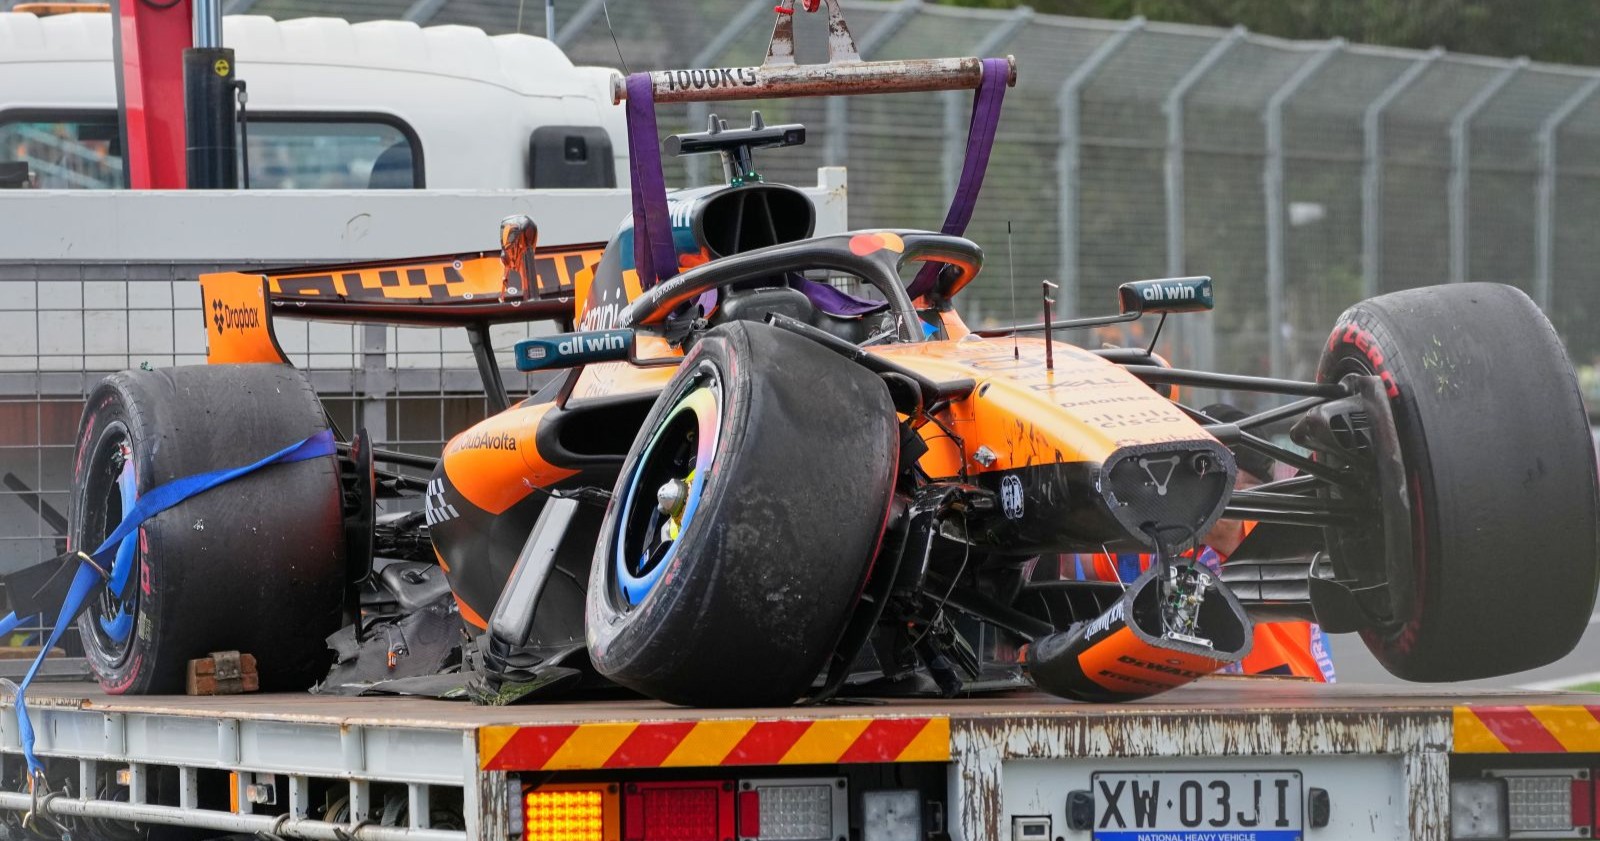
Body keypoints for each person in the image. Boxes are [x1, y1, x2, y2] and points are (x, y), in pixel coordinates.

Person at [1059, 403, 1336, 682]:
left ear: (1235, 483)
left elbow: (1226, 527)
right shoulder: (1174, 539)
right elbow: (1078, 563)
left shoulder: (1263, 530)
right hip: (1233, 703)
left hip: (1289, 702)